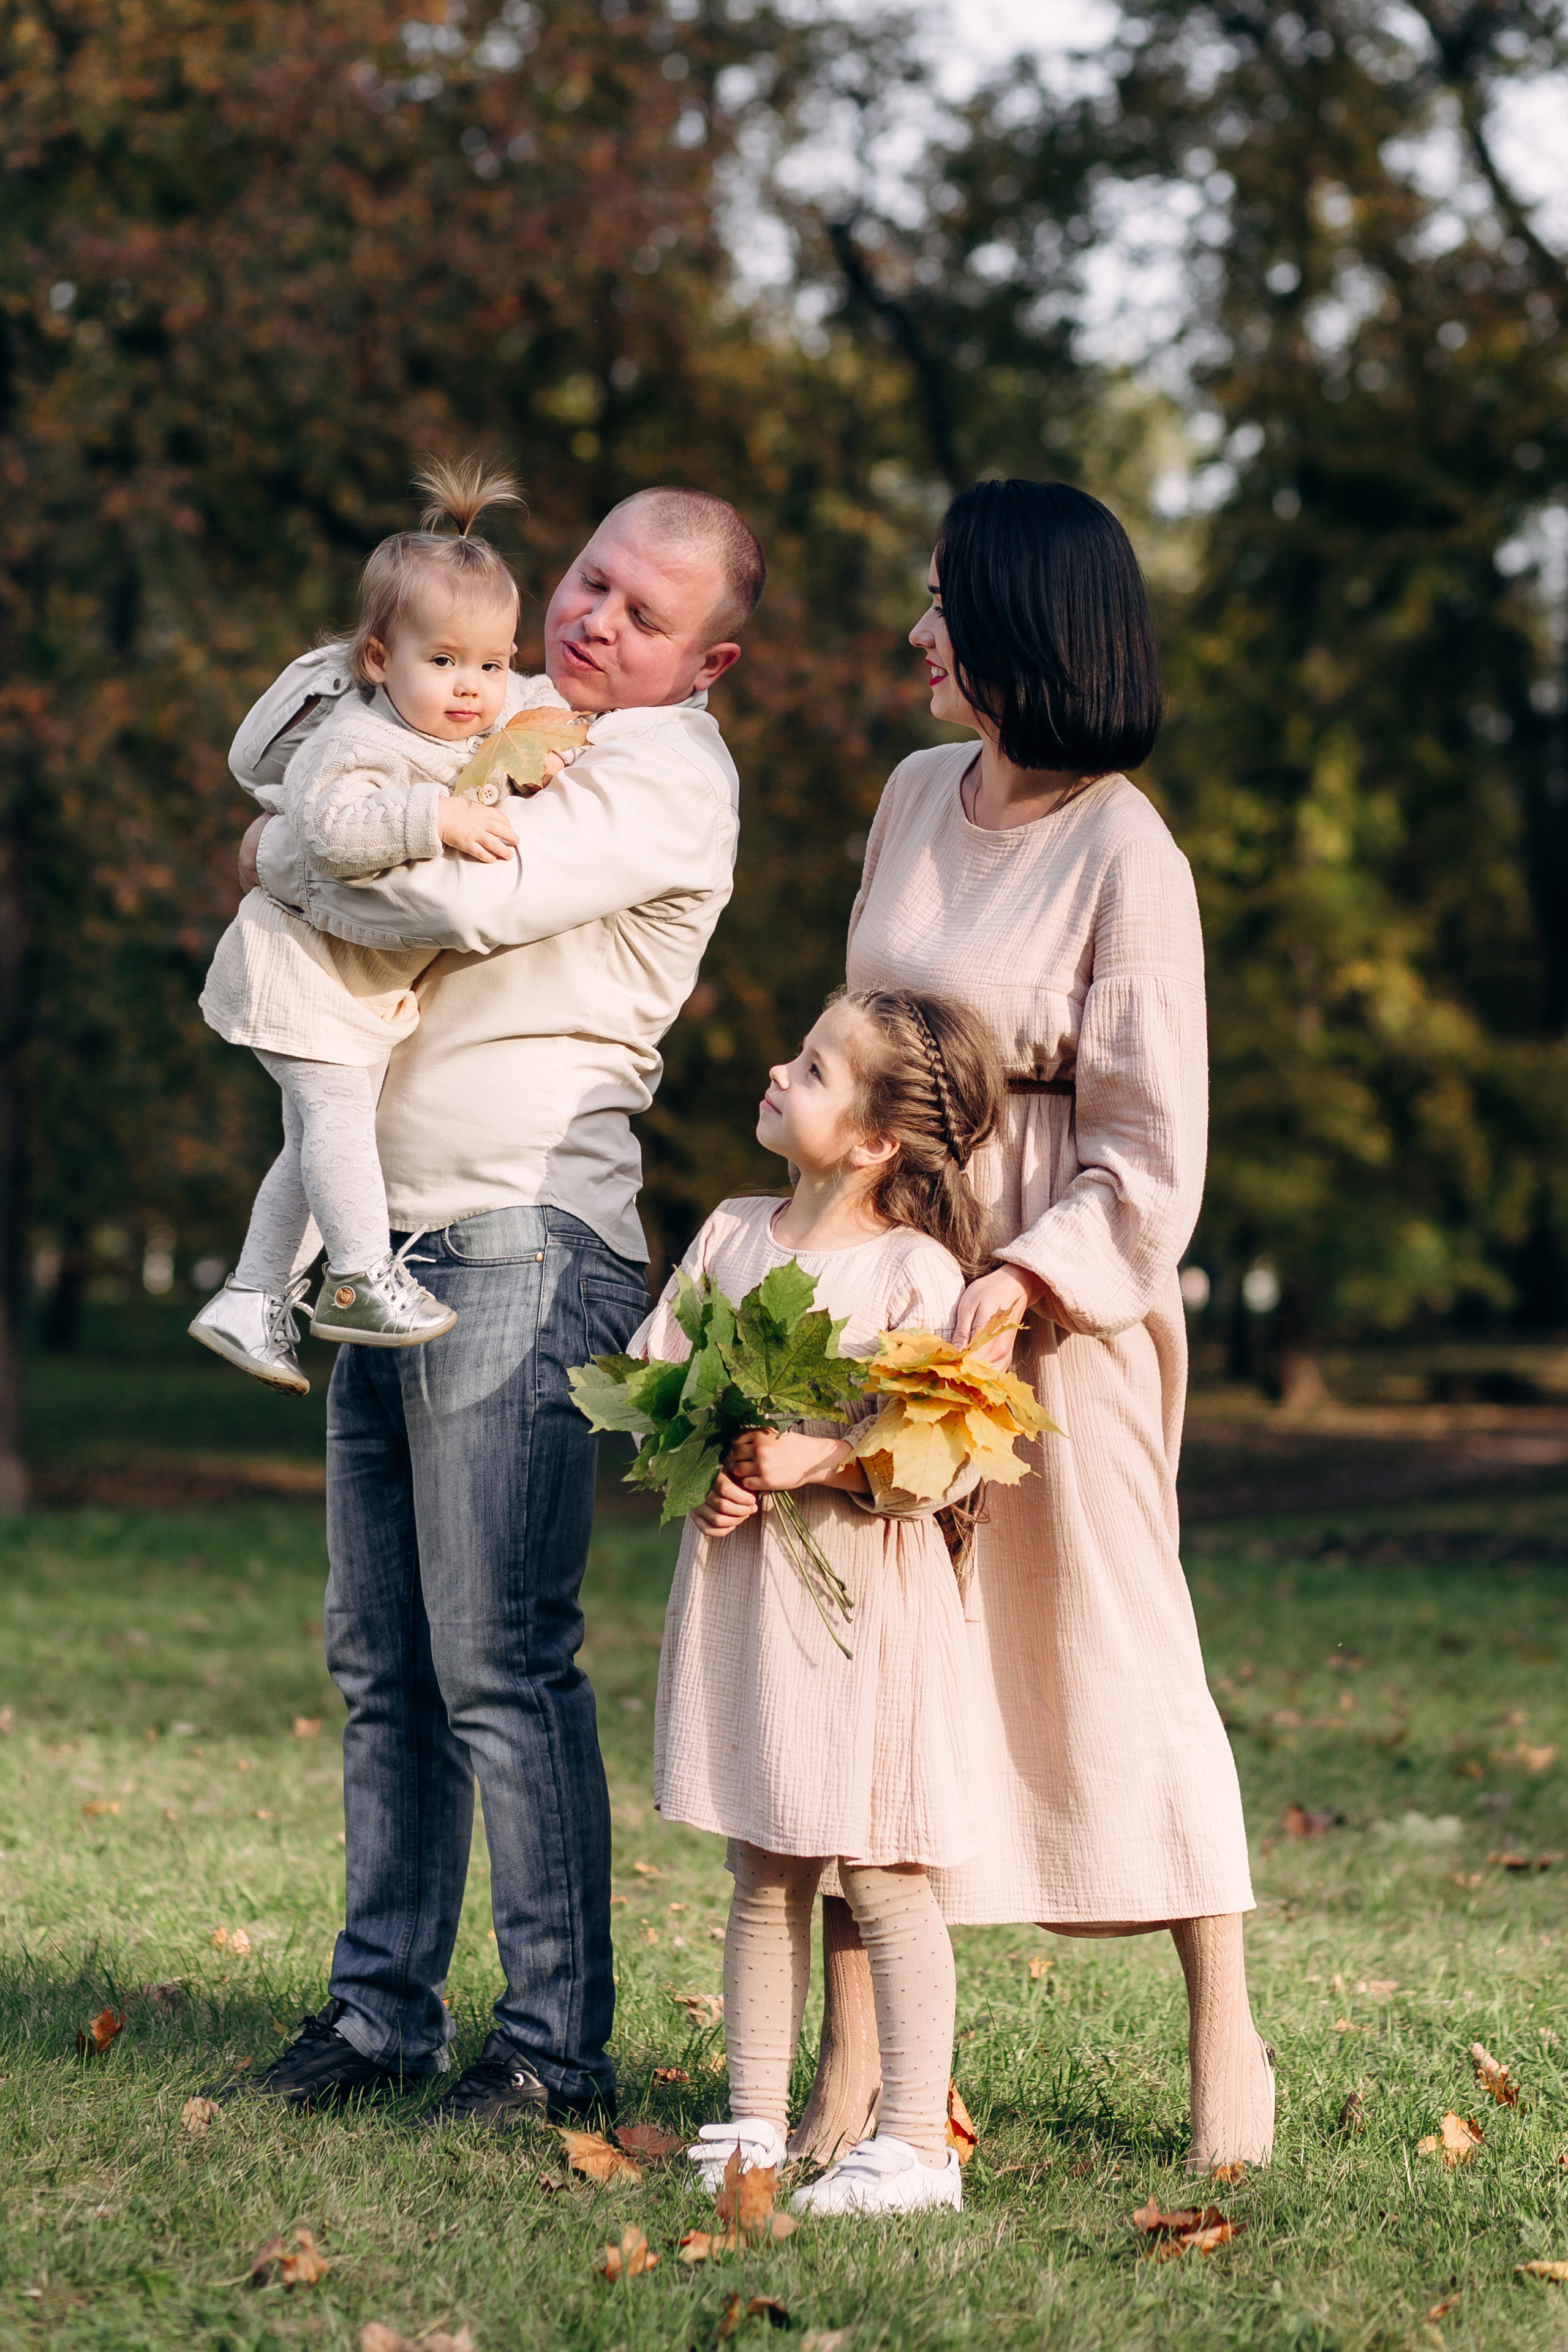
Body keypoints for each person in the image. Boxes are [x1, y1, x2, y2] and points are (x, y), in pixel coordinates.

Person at [205, 487, 764, 2129]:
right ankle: (377, 2020)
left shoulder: (664, 774)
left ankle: (548, 2052)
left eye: (645, 615)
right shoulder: (505, 718)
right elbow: (312, 775)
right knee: (385, 1661)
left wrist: (282, 852)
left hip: (523, 1235)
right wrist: (303, 830)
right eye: (591, 579)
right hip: (389, 1239)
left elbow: (453, 898)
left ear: (706, 658)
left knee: (498, 1666)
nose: (598, 620)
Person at [794, 477, 1274, 2179]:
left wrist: (1023, 1285)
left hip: (1056, 1321)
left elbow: (1155, 1151)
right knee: (877, 1662)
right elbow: (867, 1045)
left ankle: (1223, 2015)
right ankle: (859, 2057)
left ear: (1021, 628)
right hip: (895, 1290)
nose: (919, 631)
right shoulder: (914, 795)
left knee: (1115, 1650)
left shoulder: (1129, 848)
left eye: (943, 603)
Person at [631, 987, 1003, 2217]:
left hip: (863, 1615)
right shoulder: (730, 1235)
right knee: (763, 1864)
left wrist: (814, 1458)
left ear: (873, 1142)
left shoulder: (913, 1270)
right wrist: (707, 1476)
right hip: (750, 1603)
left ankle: (913, 2147)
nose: (779, 1072)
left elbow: (940, 1447)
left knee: (882, 1870)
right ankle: (745, 2126)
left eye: (813, 1067)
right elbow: (663, 1380)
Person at [192, 459, 579, 1386]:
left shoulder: (469, 719)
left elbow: (532, 708)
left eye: (490, 664)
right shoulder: (359, 737)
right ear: (379, 660)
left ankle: (252, 1296)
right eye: (442, 661)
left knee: (317, 1138)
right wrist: (433, 819)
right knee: (334, 1123)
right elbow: (325, 832)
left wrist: (550, 734)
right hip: (296, 963)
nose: (470, 687)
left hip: (351, 985)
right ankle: (360, 1278)